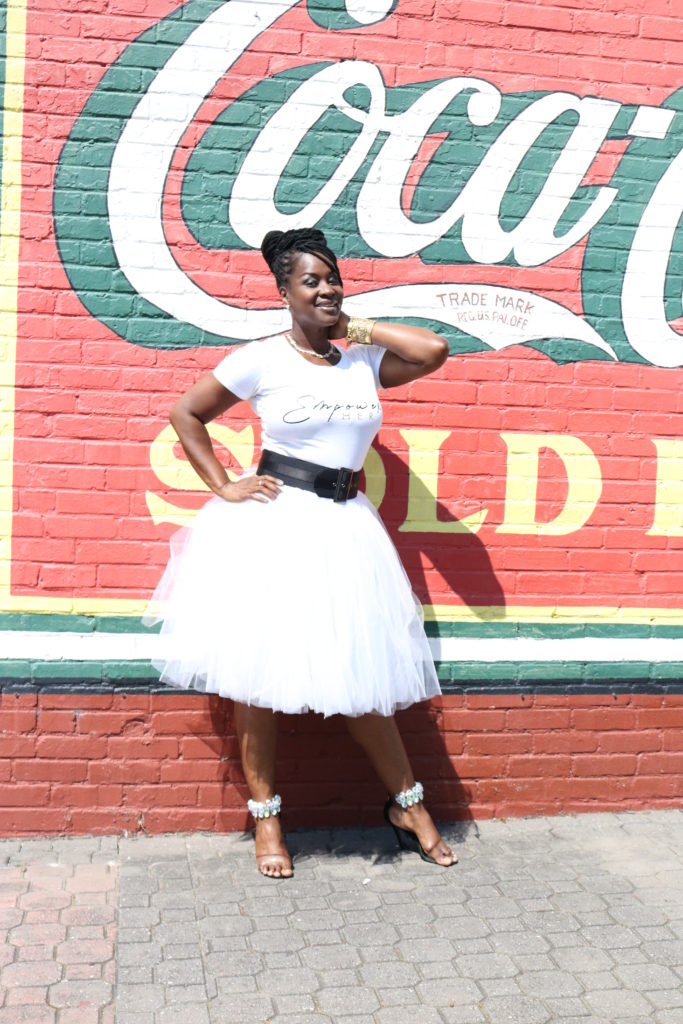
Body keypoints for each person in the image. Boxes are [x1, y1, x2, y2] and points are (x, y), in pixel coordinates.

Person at [145, 227, 457, 877]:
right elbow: (187, 414)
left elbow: (433, 350)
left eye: (331, 278)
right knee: (257, 677)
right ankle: (267, 818)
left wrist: (353, 328)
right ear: (283, 291)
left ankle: (408, 807)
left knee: (363, 674)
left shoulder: (361, 362)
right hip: (276, 526)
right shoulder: (261, 358)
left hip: (347, 529)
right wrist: (223, 483)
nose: (325, 288)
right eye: (310, 281)